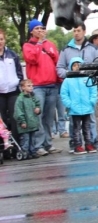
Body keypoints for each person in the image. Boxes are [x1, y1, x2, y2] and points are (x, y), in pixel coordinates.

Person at [57, 23, 98, 151]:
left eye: (78, 30)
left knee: (91, 119)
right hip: (73, 90)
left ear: (84, 31)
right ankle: (75, 144)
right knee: (74, 122)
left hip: (88, 87)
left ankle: (93, 142)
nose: (76, 33)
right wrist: (70, 74)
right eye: (74, 31)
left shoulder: (93, 48)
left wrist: (91, 75)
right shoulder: (66, 49)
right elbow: (59, 68)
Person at [22, 19, 62, 156]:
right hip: (38, 86)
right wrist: (39, 44)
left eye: (42, 28)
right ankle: (38, 146)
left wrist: (59, 80)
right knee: (38, 116)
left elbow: (57, 62)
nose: (40, 30)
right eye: (37, 28)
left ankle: (48, 144)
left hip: (52, 85)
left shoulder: (50, 44)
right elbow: (32, 59)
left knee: (49, 117)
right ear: (31, 31)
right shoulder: (28, 46)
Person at [60, 57, 98, 154]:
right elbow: (64, 94)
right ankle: (77, 146)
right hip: (74, 109)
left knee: (87, 127)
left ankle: (89, 144)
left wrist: (91, 101)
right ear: (71, 67)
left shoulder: (88, 78)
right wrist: (69, 104)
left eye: (79, 65)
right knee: (76, 128)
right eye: (74, 65)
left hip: (87, 107)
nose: (77, 67)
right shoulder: (67, 80)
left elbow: (93, 90)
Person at [0, 28, 23, 159]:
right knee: (2, 121)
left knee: (15, 119)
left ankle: (15, 148)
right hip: (0, 93)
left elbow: (19, 71)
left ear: (5, 40)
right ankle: (4, 149)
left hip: (13, 91)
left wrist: (17, 81)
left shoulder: (12, 55)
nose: (0, 42)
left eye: (1, 39)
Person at [13, 79, 42, 160]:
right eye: (29, 86)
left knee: (33, 139)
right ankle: (25, 152)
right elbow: (18, 111)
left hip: (33, 123)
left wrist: (38, 109)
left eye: (32, 86)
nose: (31, 87)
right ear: (23, 87)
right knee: (26, 139)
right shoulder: (20, 99)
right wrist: (22, 121)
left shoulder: (33, 97)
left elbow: (38, 104)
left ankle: (32, 151)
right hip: (25, 123)